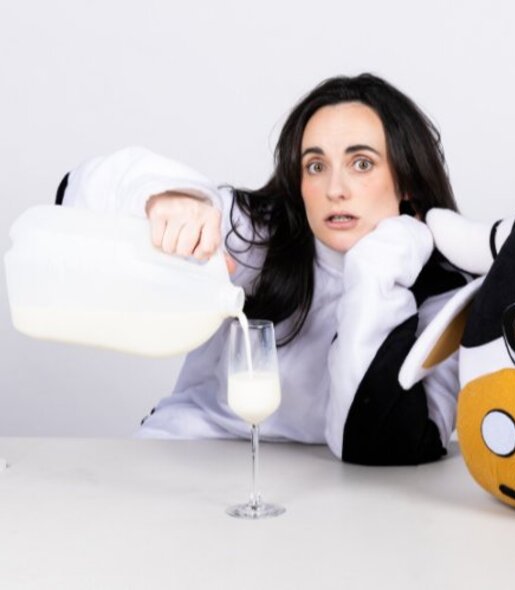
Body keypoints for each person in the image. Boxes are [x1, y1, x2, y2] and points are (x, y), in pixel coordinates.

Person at [57, 73, 468, 465]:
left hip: (330, 489)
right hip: (188, 453)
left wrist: (377, 267)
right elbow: (72, 194)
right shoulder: (253, 234)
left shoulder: (445, 292)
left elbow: (387, 442)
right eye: (315, 166)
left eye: (361, 164)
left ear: (407, 179)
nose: (334, 189)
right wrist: (165, 197)